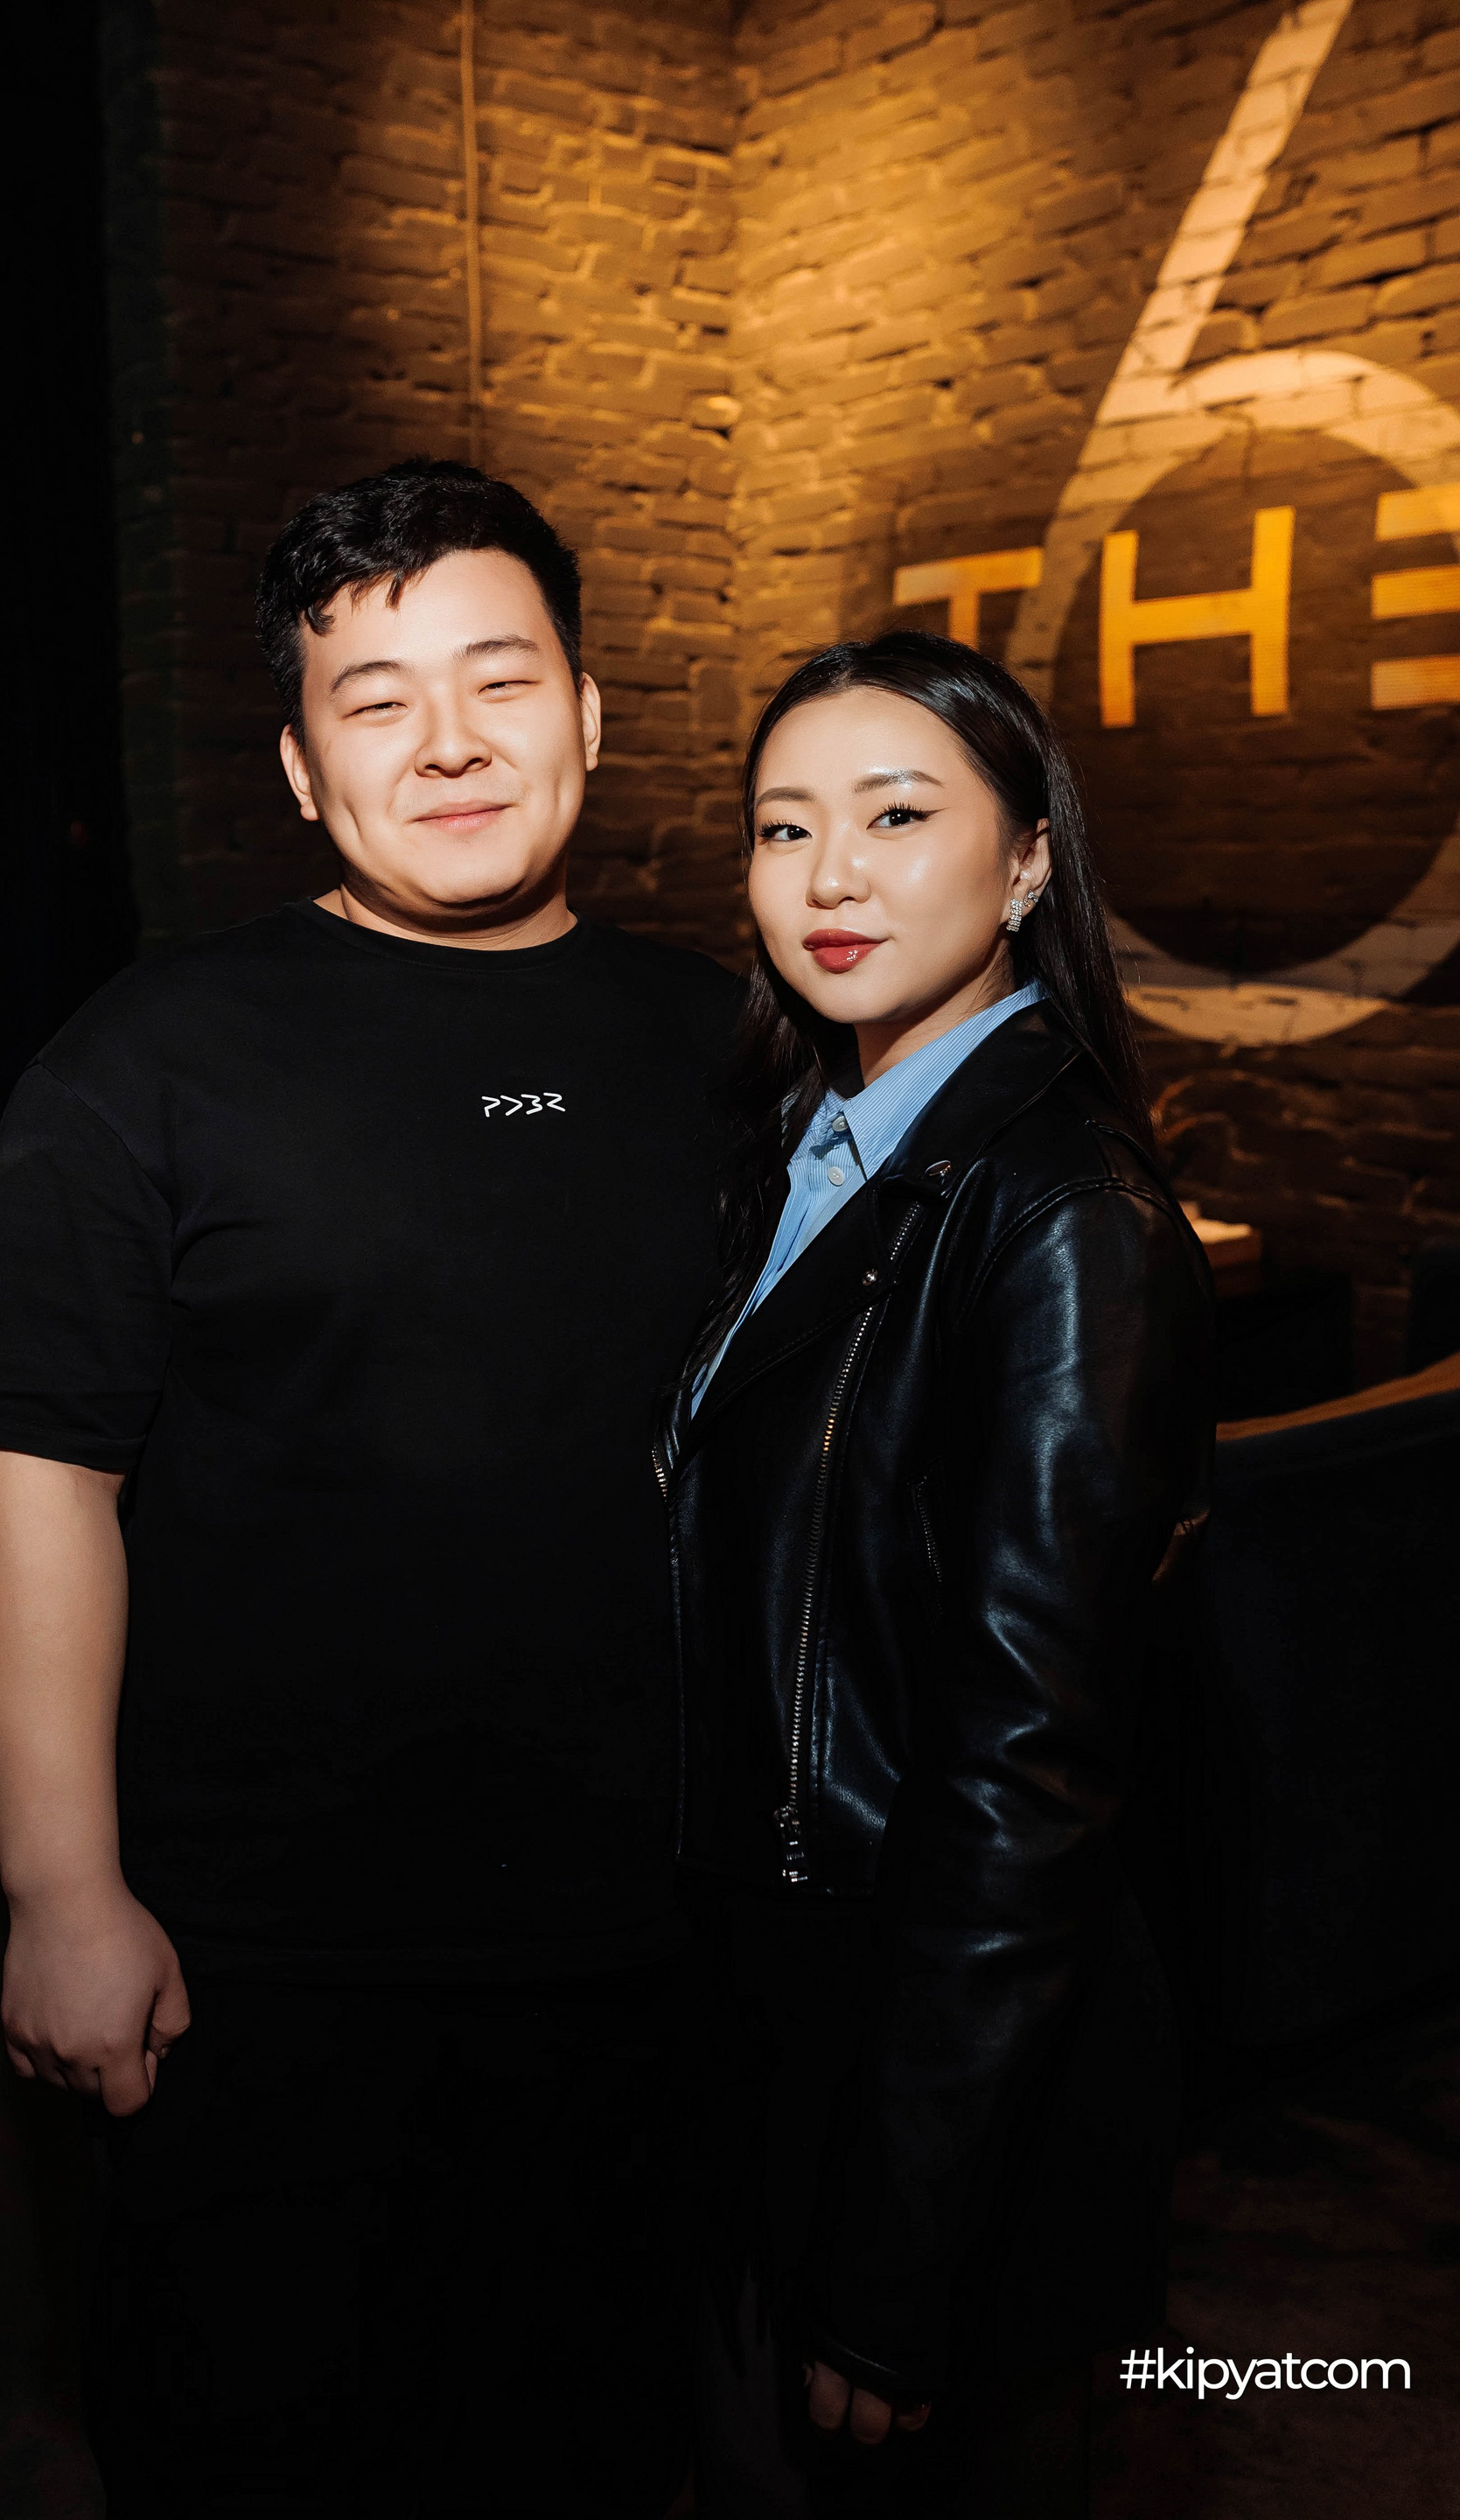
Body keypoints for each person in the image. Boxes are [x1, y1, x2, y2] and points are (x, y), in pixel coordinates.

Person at [0, 458, 739, 2516]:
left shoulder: (737, 1043)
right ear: (300, 771)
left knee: (600, 2454)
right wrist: (62, 1893)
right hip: (262, 1965)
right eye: (377, 702)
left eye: (500, 679)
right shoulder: (147, 1060)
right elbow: (36, 1481)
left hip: (656, 1951)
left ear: (591, 712)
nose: (450, 741)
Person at [658, 631, 1213, 2516]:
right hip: (785, 2016)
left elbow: (1024, 1784)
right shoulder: (805, 1152)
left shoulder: (1063, 1216)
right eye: (782, 826)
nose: (829, 875)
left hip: (931, 2074)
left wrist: (899, 2263)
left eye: (898, 816)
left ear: (1031, 858)